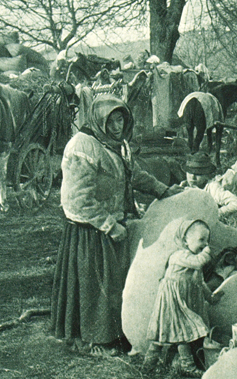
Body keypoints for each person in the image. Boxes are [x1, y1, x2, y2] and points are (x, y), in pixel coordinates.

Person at [50, 94, 178, 353]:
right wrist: (108, 225)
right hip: (89, 231)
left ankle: (110, 335)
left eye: (121, 120)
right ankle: (93, 340)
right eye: (112, 121)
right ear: (99, 120)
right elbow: (75, 199)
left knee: (112, 286)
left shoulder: (116, 145)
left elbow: (134, 175)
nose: (118, 126)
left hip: (112, 226)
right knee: (94, 289)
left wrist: (163, 190)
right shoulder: (83, 146)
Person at [143, 218, 223, 377]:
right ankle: (150, 366)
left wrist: (211, 298)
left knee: (180, 334)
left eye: (207, 240)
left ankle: (177, 365)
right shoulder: (180, 256)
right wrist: (206, 252)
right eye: (201, 240)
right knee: (172, 334)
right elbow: (199, 262)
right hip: (172, 302)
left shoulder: (193, 261)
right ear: (185, 241)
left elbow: (200, 284)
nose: (205, 244)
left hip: (181, 303)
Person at [181, 152, 237, 218]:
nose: (192, 177)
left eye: (198, 174)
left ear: (206, 174)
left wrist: (215, 213)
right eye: (190, 172)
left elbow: (236, 203)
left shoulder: (212, 187)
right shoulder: (182, 187)